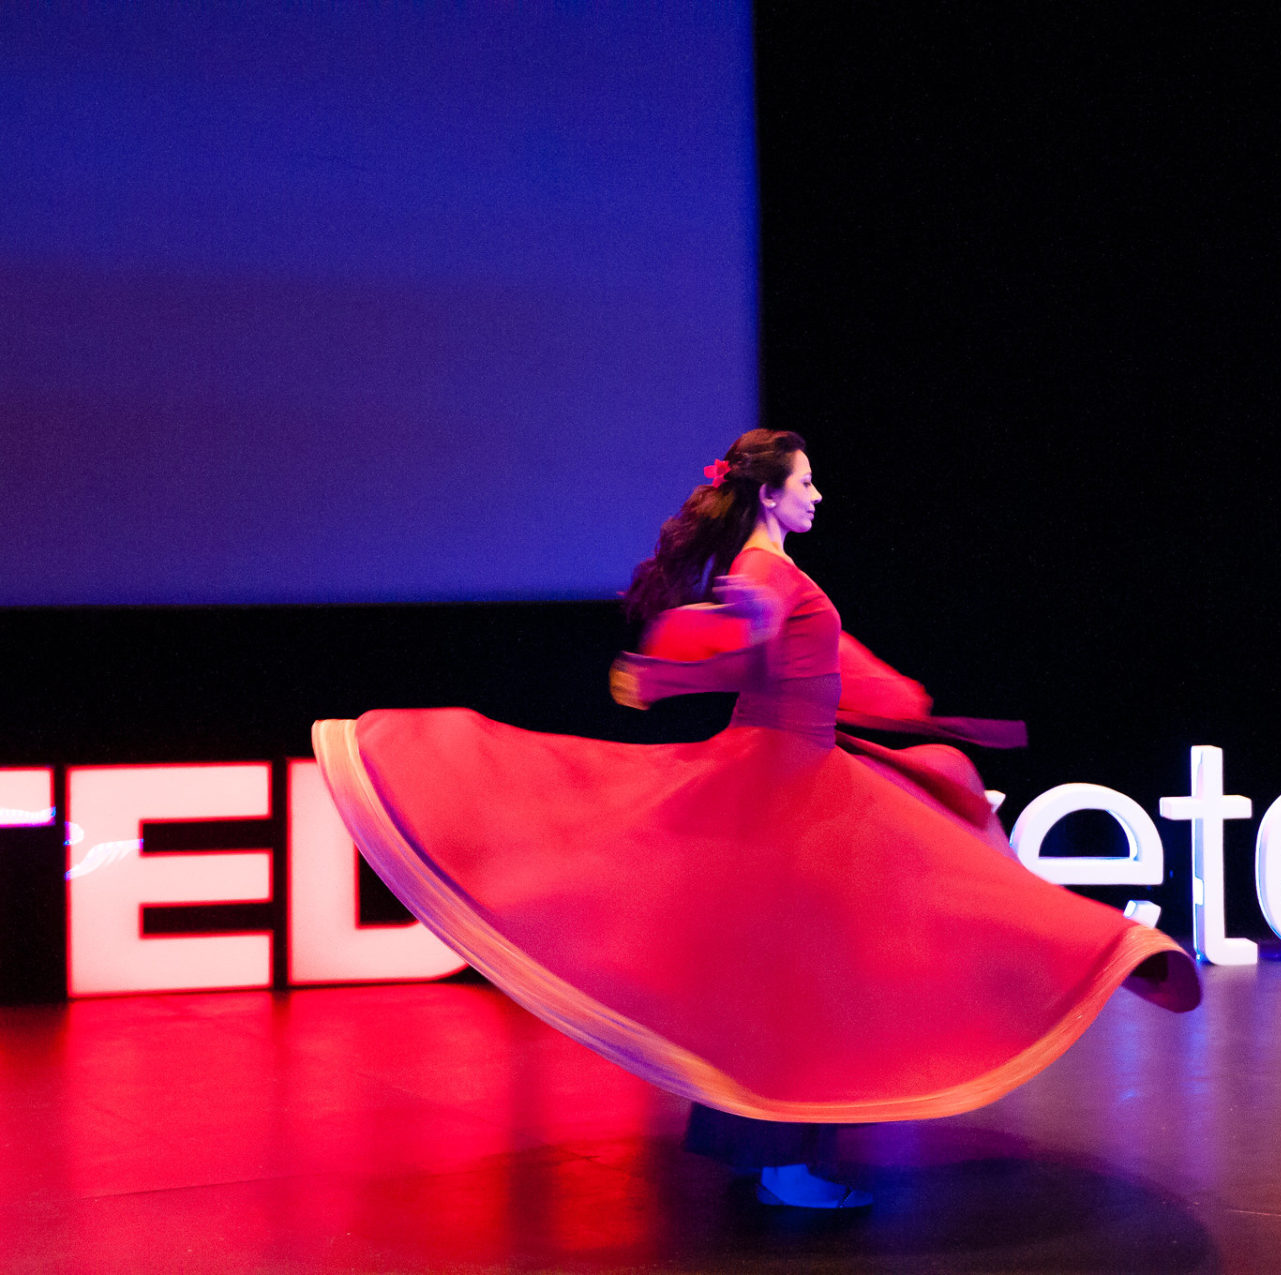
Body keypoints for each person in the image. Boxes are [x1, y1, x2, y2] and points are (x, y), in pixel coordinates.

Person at [313, 428, 1200, 1210]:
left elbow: (825, 657)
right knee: (801, 979)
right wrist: (672, 665)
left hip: (804, 771)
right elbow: (747, 635)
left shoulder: (777, 569)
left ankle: (761, 1147)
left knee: (777, 974)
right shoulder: (763, 573)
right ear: (769, 494)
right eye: (806, 482)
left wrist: (902, 699)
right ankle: (785, 1162)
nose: (819, 493)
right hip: (783, 785)